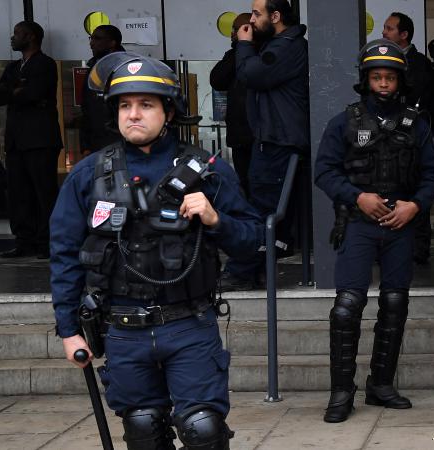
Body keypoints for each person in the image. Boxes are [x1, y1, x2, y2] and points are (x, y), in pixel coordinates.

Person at [50, 52, 262, 450]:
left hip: (189, 325)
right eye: (125, 106)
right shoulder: (88, 174)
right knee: (143, 427)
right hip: (122, 329)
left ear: (168, 110)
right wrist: (68, 330)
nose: (133, 115)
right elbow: (64, 255)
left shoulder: (207, 169)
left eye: (146, 105)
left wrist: (217, 220)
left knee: (203, 429)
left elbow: (253, 241)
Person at [314, 39, 434, 423]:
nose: (383, 84)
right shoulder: (344, 122)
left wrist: (415, 205)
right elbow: (324, 171)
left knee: (396, 304)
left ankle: (381, 385)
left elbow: (433, 175)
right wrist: (358, 198)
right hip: (358, 223)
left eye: (389, 77)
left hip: (400, 225)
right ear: (365, 80)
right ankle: (341, 391)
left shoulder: (417, 124)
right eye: (376, 77)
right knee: (347, 307)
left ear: (399, 81)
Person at [222, 0, 309, 290]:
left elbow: (251, 76)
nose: (252, 20)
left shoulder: (287, 47)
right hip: (274, 140)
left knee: (261, 210)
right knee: (265, 209)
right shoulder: (279, 44)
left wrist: (244, 45)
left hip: (277, 143)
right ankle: (257, 269)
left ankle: (242, 271)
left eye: (257, 14)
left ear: (276, 16)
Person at [0, 20, 62, 260]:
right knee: (19, 194)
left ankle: (47, 242)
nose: (12, 37)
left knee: (44, 192)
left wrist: (16, 92)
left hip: (40, 139)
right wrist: (14, 91)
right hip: (16, 141)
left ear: (30, 37)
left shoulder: (45, 64)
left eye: (17, 34)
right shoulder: (13, 67)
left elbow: (34, 93)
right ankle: (24, 241)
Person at [210, 12, 255, 196]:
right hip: (241, 134)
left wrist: (241, 46)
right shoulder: (236, 55)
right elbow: (217, 80)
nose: (232, 33)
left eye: (235, 29)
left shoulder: (263, 53)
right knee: (244, 183)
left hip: (256, 136)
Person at [80, 24, 125, 156]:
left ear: (112, 43)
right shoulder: (93, 67)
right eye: (91, 38)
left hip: (120, 139)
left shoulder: (125, 66)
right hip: (96, 142)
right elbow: (86, 108)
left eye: (97, 38)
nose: (92, 43)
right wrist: (85, 144)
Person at [382, 12, 434, 110]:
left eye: (389, 29)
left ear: (404, 35)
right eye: (384, 28)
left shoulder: (421, 62)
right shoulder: (379, 59)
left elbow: (417, 96)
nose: (384, 32)